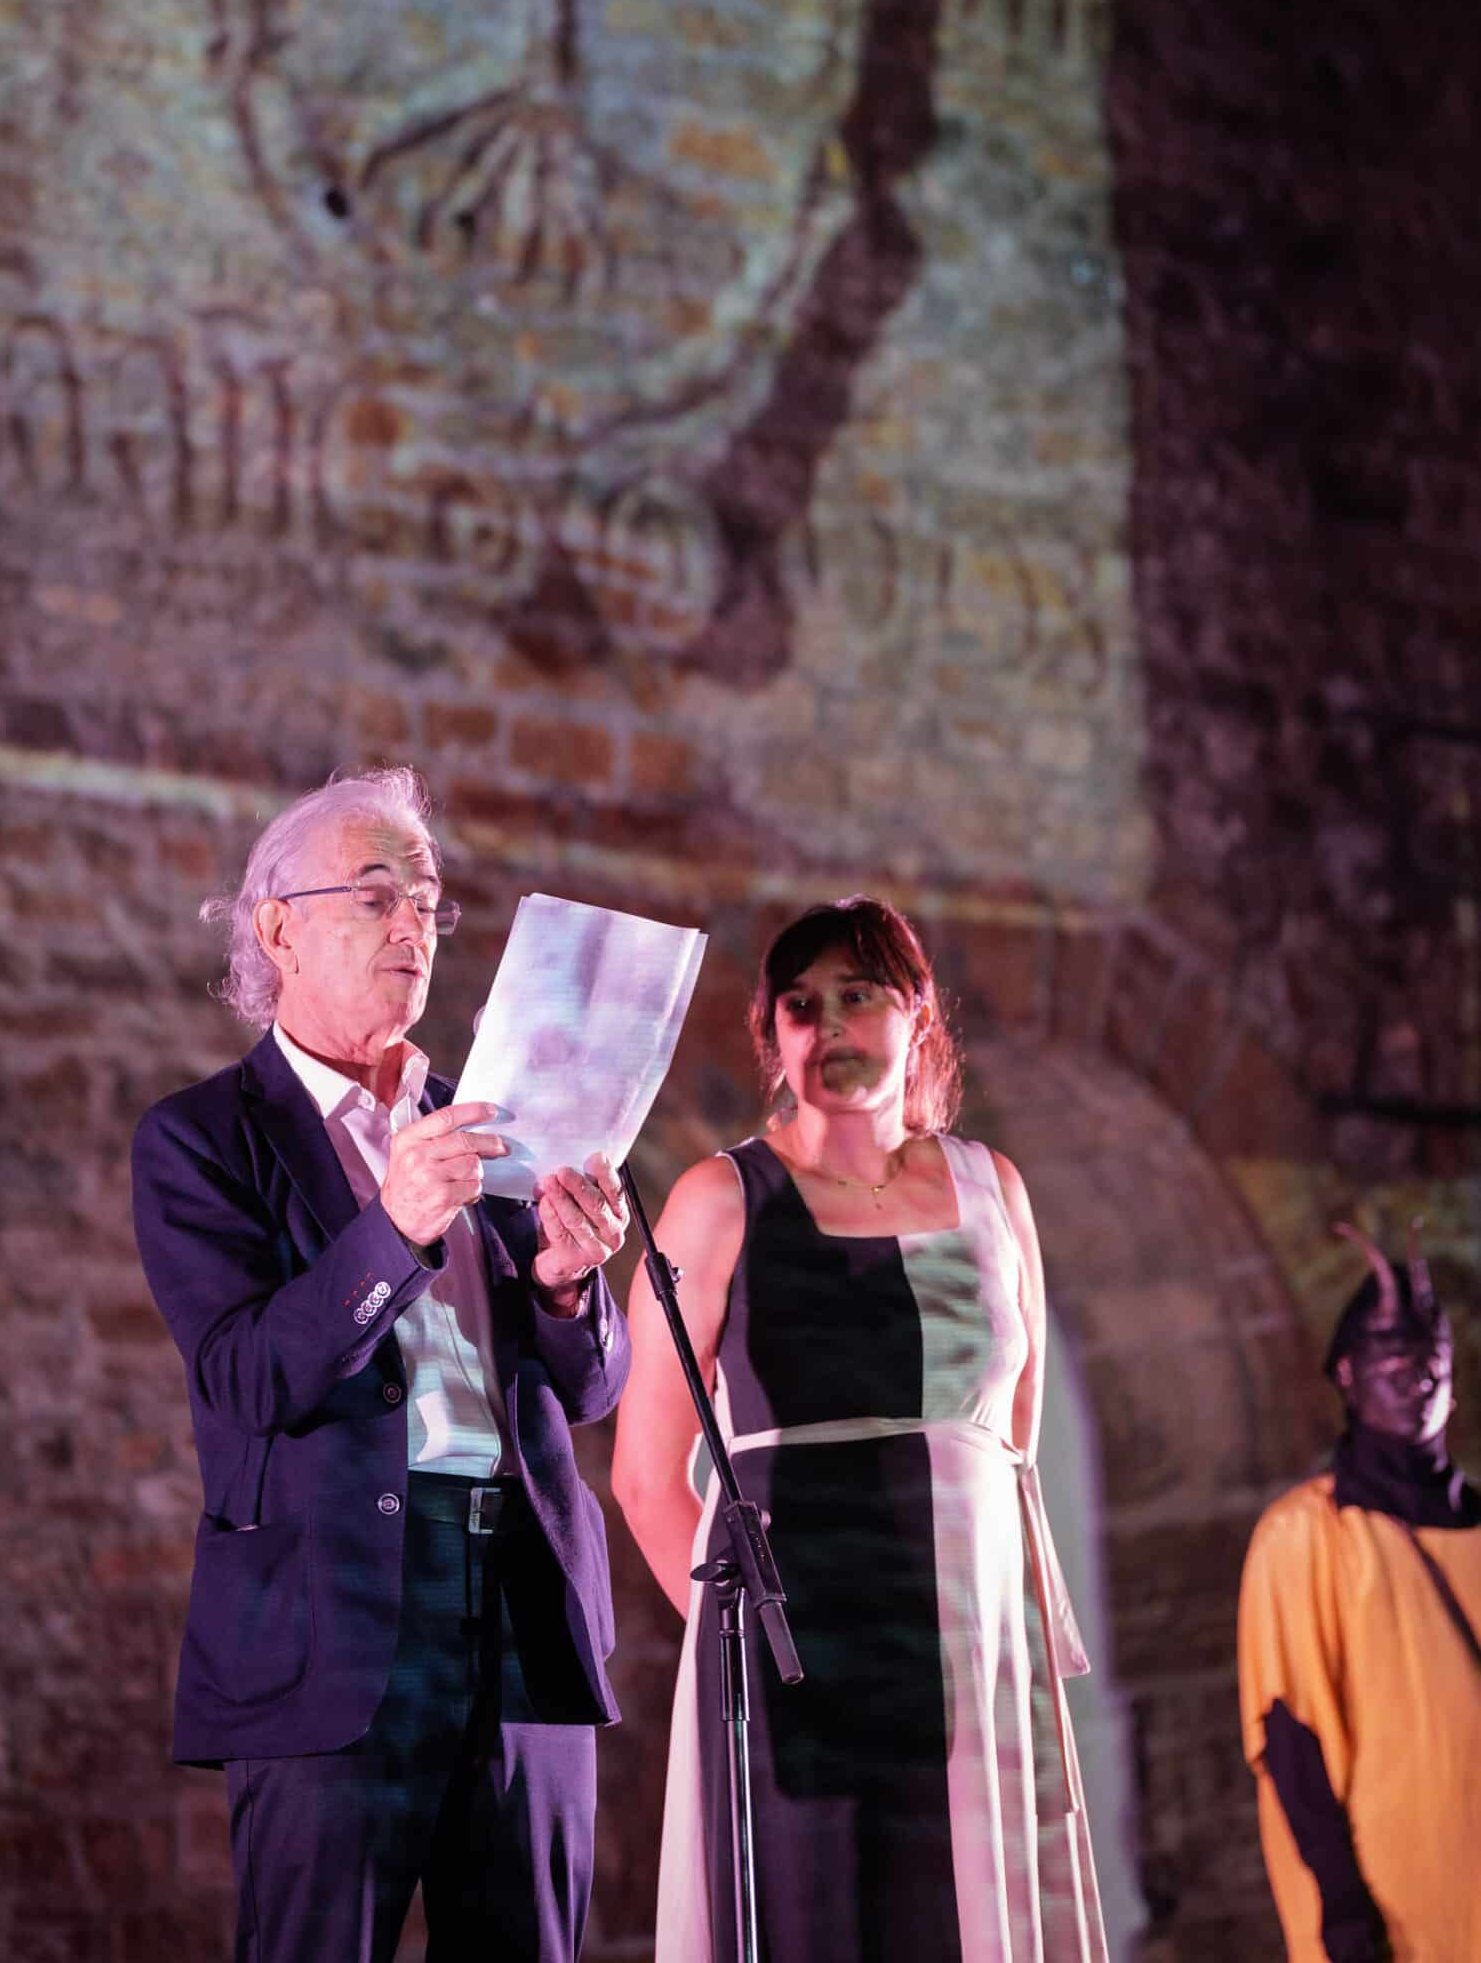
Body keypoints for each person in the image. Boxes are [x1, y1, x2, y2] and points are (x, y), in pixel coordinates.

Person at [131, 764, 630, 1963]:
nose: (413, 925)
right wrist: (394, 1228)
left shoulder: (496, 1121)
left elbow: (593, 1389)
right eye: (373, 896)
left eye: (428, 902)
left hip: (519, 1608)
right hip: (332, 1622)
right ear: (277, 929)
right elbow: (250, 1379)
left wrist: (569, 1280)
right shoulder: (201, 1138)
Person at [611, 895, 1106, 1963]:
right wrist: (743, 1647)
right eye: (800, 1004)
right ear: (774, 1037)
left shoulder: (993, 1190)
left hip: (971, 1652)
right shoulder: (720, 1198)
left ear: (917, 1014)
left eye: (858, 994)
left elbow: (1005, 1446)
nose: (827, 1023)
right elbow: (647, 1474)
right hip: (803, 1661)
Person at [1237, 1221, 1481, 1962]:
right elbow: (1290, 1739)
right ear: (1345, 1374)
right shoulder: (1306, 1535)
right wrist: (1343, 1919)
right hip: (1398, 1901)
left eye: (1432, 1359)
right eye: (1391, 1360)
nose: (1418, 1380)